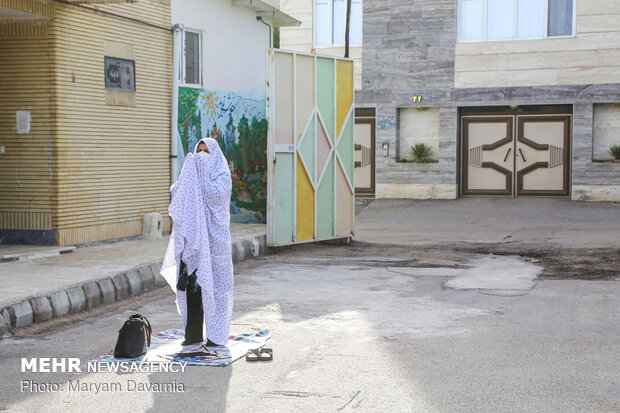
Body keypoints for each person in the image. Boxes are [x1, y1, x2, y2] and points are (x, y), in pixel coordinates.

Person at [161, 138, 234, 347]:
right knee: (193, 286)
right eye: (198, 151)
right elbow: (177, 191)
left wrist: (198, 171)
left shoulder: (222, 177)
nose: (201, 156)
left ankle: (216, 336)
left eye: (206, 152)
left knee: (217, 289)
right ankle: (192, 334)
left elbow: (214, 195)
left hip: (215, 244)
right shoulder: (192, 176)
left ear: (215, 155)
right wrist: (190, 173)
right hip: (193, 242)